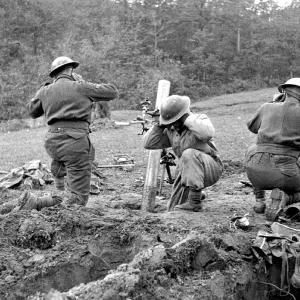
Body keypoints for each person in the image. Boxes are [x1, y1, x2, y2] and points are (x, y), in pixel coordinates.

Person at [19, 56, 118, 210]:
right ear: (71, 70)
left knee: (61, 174)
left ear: (54, 74)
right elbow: (112, 91)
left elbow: (32, 111)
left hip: (53, 142)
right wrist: (82, 82)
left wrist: (46, 90)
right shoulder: (81, 86)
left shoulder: (45, 90)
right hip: (75, 142)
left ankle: (53, 199)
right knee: (78, 198)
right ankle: (37, 203)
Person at [142, 95, 223, 211]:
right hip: (187, 172)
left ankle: (195, 201)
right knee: (173, 208)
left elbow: (208, 133)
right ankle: (196, 194)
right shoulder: (171, 130)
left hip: (211, 168)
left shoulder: (199, 119)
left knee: (188, 153)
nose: (173, 124)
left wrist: (187, 118)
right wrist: (160, 125)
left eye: (176, 120)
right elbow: (148, 143)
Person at [245, 78, 300, 221]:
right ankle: (286, 198)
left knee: (253, 149)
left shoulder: (267, 107)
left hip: (256, 174)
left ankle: (260, 201)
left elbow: (252, 127)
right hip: (286, 176)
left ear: (284, 92)